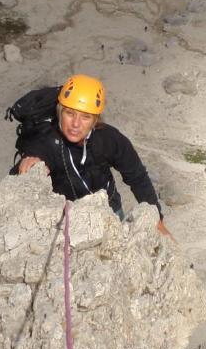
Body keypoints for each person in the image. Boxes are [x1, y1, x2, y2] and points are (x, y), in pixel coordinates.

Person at [14, 74, 171, 236]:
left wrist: (156, 219)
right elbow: (40, 148)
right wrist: (33, 158)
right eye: (69, 113)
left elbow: (137, 177)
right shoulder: (49, 141)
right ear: (59, 112)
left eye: (85, 117)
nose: (75, 124)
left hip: (109, 212)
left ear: (95, 119)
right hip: (66, 220)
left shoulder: (108, 139)